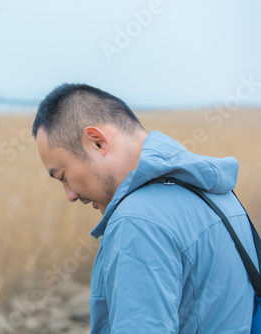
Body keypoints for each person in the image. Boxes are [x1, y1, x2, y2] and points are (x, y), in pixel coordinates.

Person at [32, 83, 258, 333]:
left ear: (97, 142)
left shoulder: (137, 220)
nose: (70, 195)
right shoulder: (218, 193)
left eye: (63, 175)